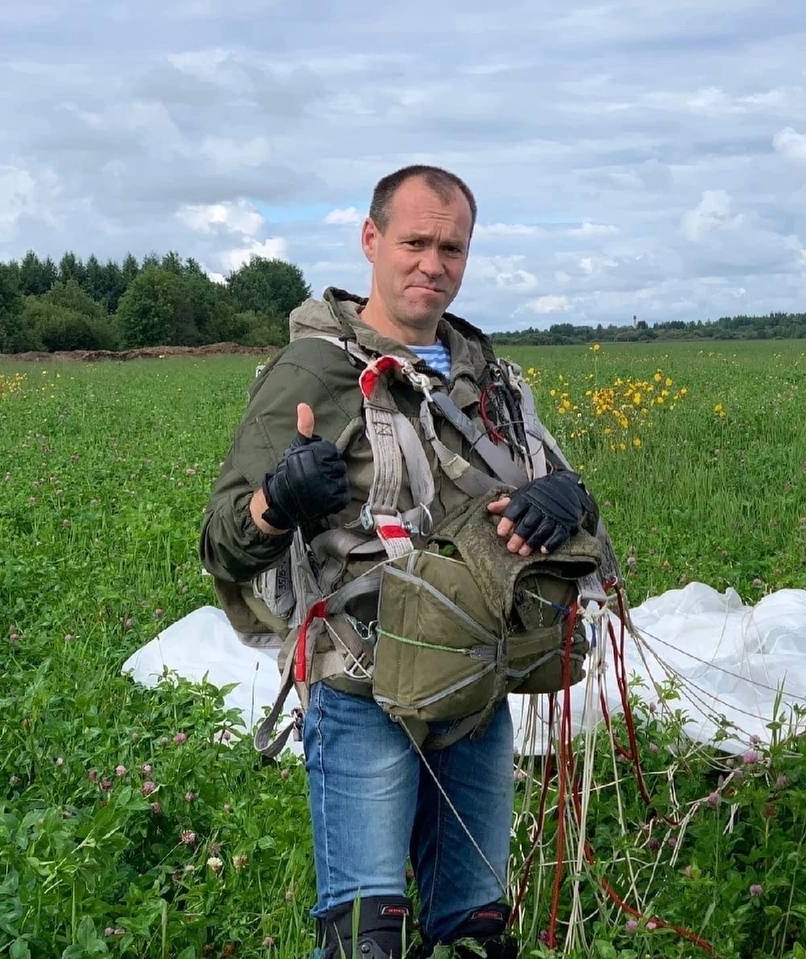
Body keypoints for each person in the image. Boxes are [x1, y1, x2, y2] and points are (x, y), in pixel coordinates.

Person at [199, 166, 600, 959]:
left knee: (476, 931)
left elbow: (553, 492)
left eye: (452, 247)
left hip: (475, 689)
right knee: (364, 940)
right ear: (371, 241)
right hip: (360, 689)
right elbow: (221, 539)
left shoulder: (491, 377)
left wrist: (565, 499)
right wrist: (280, 498)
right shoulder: (314, 373)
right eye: (415, 241)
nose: (433, 263)